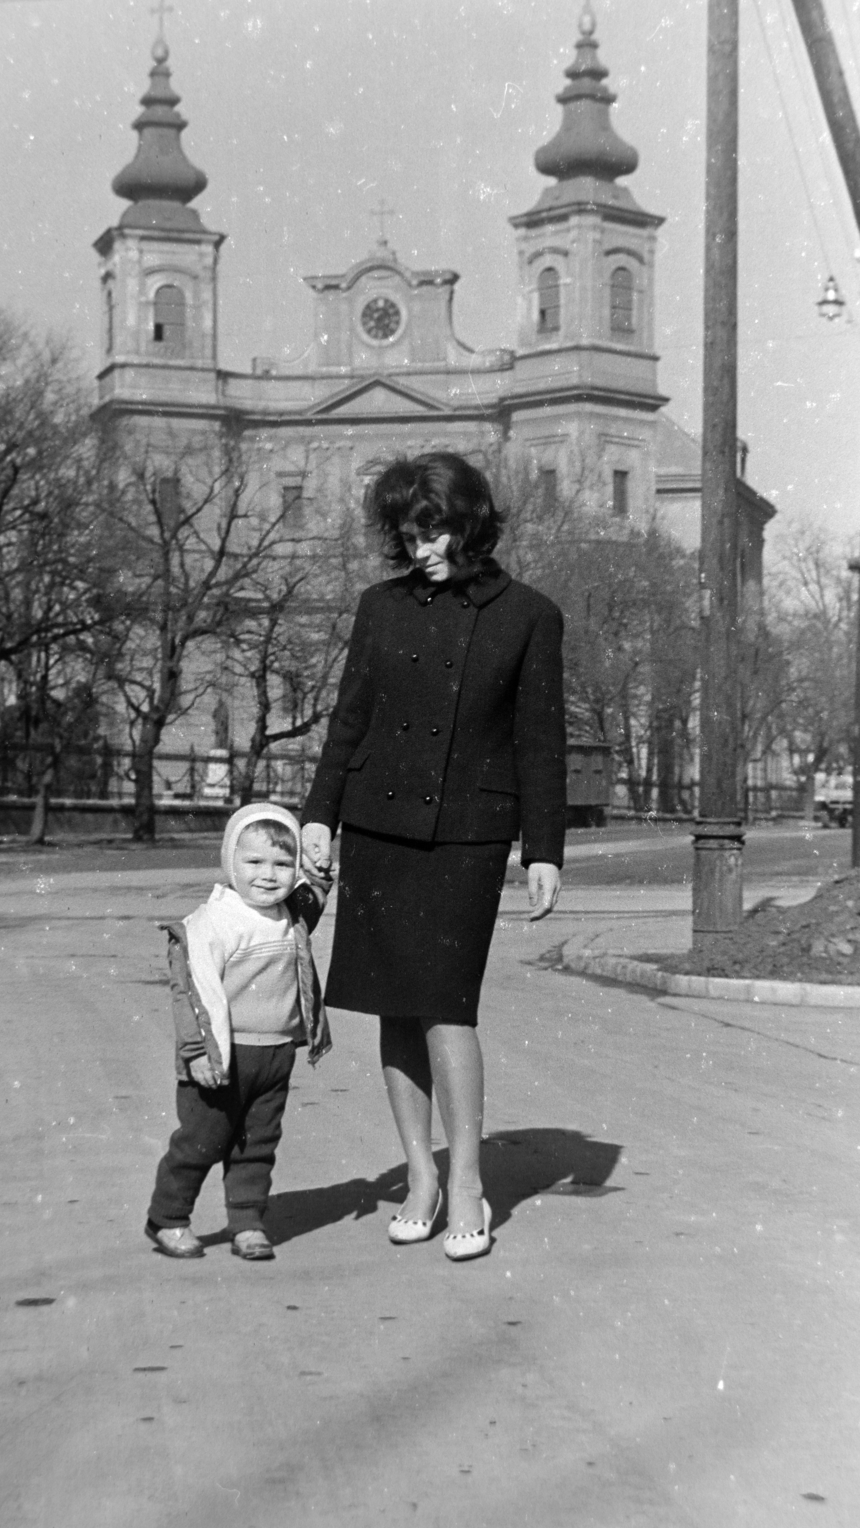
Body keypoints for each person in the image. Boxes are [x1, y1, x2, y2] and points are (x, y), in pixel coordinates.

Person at [301, 452, 565, 1262]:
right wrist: (318, 819)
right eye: (410, 532)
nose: (422, 547)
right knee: (393, 1006)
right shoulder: (378, 609)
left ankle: (467, 1185)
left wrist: (543, 850)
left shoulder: (528, 615)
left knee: (447, 1005)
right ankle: (418, 1176)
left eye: (438, 529)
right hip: (378, 823)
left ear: (473, 524)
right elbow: (349, 721)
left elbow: (538, 742)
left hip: (467, 835)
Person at [145, 803, 332, 1261]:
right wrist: (196, 1052)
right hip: (220, 1059)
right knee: (201, 1142)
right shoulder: (211, 923)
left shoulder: (290, 914)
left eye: (282, 864)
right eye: (254, 863)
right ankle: (167, 1218)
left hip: (274, 1055)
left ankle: (247, 1222)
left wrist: (318, 867)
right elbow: (189, 994)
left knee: (258, 1145)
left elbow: (316, 892)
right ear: (231, 862)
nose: (268, 876)